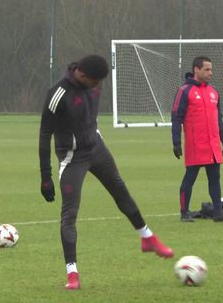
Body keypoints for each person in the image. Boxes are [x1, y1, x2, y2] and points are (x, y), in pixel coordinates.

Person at [39, 54, 174, 290]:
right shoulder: (58, 94)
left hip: (97, 148)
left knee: (120, 190)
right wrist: (45, 176)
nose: (97, 86)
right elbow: (44, 135)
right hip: (72, 159)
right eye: (94, 82)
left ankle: (147, 238)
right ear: (81, 74)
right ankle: (73, 275)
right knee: (69, 214)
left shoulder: (95, 82)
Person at [171, 56, 223, 223]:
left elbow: (219, 119)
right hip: (196, 145)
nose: (211, 73)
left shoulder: (213, 92)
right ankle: (184, 213)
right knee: (189, 178)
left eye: (211, 69)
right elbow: (176, 117)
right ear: (196, 70)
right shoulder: (184, 91)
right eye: (207, 69)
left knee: (215, 179)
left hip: (213, 145)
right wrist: (176, 142)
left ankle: (218, 214)